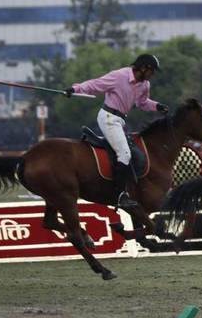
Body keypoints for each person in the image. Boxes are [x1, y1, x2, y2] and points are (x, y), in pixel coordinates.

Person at [66, 54, 169, 211]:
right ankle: (120, 196)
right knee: (125, 154)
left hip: (120, 121)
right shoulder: (119, 76)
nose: (152, 75)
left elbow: (142, 103)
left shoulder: (144, 85)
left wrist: (157, 106)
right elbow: (95, 85)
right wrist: (75, 89)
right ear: (143, 68)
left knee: (132, 152)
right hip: (108, 117)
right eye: (152, 71)